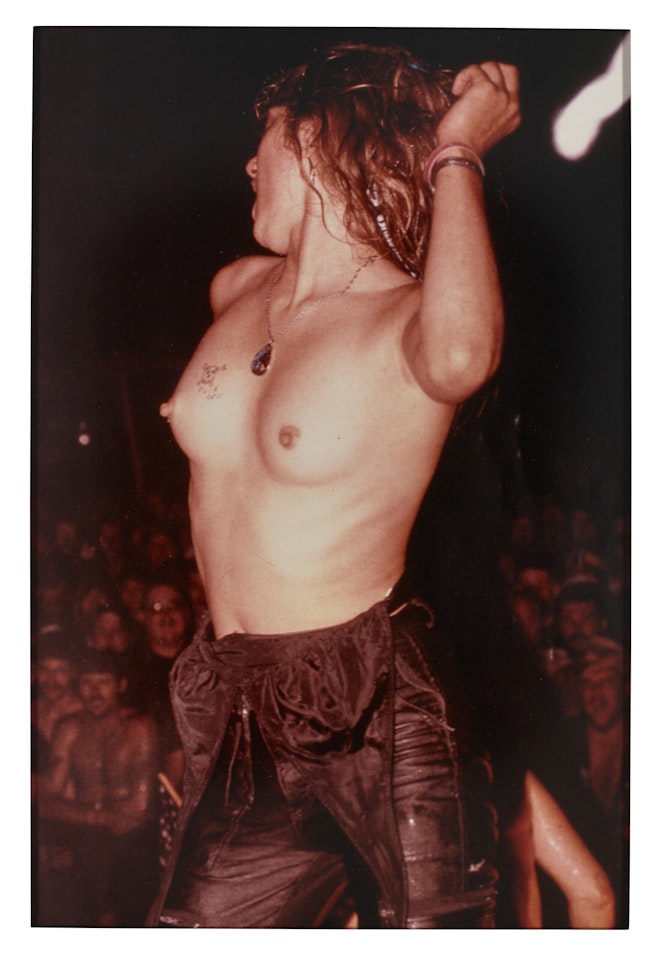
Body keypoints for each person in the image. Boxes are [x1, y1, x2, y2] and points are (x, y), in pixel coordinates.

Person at [151, 42, 520, 929]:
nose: (248, 166)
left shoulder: (405, 319)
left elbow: (462, 356)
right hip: (237, 698)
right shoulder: (235, 290)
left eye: (265, 144)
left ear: (317, 139)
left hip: (375, 706)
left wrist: (457, 149)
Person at [38, 650, 160, 926]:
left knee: (119, 853)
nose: (94, 692)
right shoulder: (70, 728)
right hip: (88, 833)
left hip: (131, 839)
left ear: (121, 685)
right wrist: (94, 818)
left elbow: (139, 809)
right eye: (87, 683)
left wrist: (90, 818)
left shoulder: (137, 727)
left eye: (103, 682)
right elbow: (45, 802)